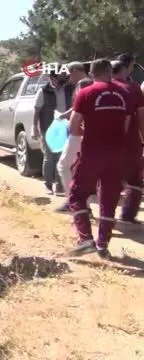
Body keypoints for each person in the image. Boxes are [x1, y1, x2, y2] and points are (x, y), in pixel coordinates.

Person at [68, 59, 133, 259]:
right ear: (109, 72)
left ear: (92, 73)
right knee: (109, 199)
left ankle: (86, 239)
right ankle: (103, 244)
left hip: (92, 153)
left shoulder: (85, 93)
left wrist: (87, 131)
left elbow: (73, 127)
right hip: (117, 154)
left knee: (77, 195)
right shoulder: (124, 93)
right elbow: (125, 126)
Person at [54, 62, 93, 213]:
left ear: (76, 71)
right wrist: (65, 115)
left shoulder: (83, 85)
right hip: (86, 133)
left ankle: (73, 201)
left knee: (63, 166)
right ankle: (83, 203)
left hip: (78, 133)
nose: (69, 77)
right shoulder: (89, 84)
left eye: (70, 74)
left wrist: (71, 125)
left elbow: (80, 109)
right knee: (80, 170)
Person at [112, 57, 144, 224]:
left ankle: (106, 215)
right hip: (130, 141)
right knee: (134, 178)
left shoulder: (98, 88)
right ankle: (128, 214)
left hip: (104, 141)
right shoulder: (133, 89)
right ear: (126, 69)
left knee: (108, 177)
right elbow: (140, 116)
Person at [32, 71, 74, 196]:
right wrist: (34, 127)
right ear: (52, 78)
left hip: (65, 127)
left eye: (63, 80)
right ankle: (48, 184)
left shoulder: (68, 89)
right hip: (49, 127)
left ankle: (59, 184)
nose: (61, 82)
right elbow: (37, 110)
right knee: (49, 156)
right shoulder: (43, 91)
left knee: (62, 156)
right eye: (59, 79)